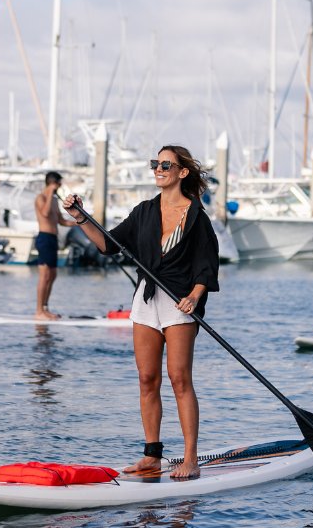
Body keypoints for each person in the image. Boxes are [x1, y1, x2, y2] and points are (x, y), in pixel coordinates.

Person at [63, 144, 218, 480]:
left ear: (182, 172)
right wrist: (80, 217)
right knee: (147, 379)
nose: (158, 169)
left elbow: (206, 266)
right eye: (155, 164)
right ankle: (152, 456)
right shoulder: (144, 211)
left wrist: (195, 295)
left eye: (165, 164)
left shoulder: (196, 216)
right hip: (146, 301)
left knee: (179, 379)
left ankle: (189, 458)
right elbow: (108, 244)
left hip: (179, 302)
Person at [33, 170, 77, 320]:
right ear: (52, 183)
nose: (59, 187)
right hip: (44, 238)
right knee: (44, 275)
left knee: (52, 275)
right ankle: (38, 311)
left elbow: (60, 220)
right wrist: (50, 192)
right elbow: (45, 214)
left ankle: (45, 309)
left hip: (53, 239)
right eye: (58, 184)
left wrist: (78, 222)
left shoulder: (53, 201)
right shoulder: (41, 198)